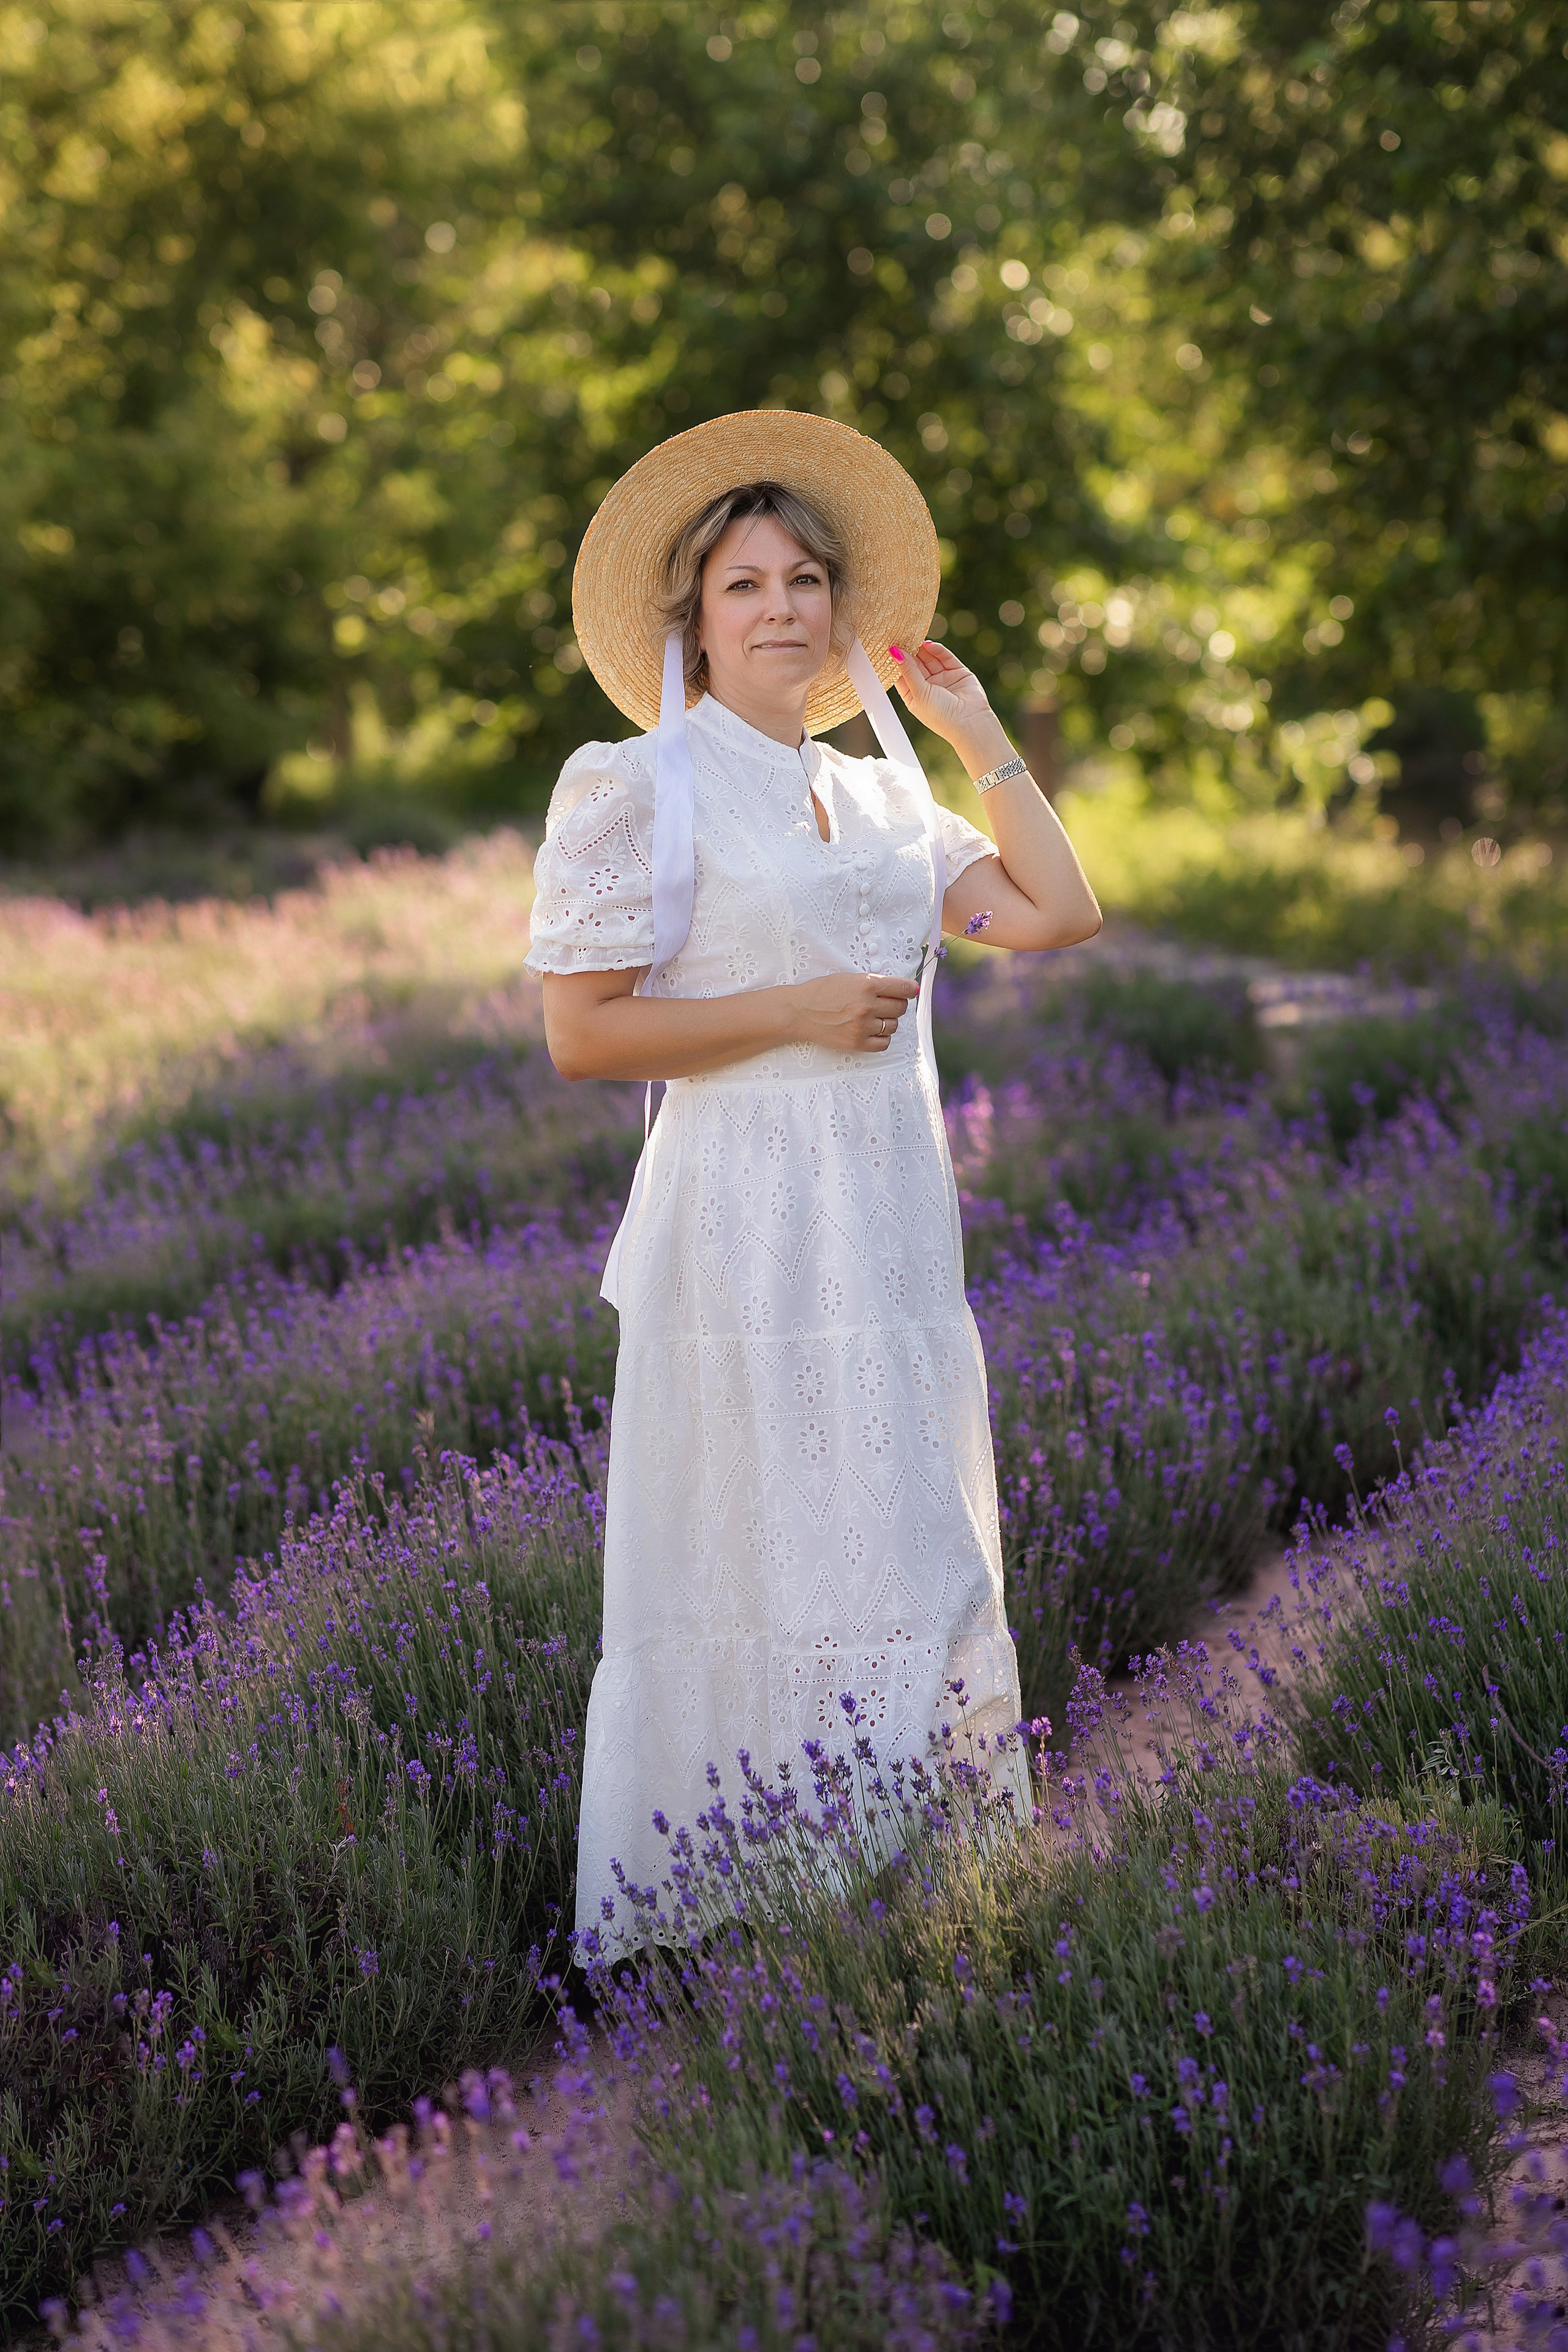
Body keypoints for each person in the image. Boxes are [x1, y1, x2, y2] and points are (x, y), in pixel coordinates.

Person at [523, 409, 1102, 1957]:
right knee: (760, 1553)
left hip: (890, 1229)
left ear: (841, 610)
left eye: (804, 580)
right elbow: (584, 1037)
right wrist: (791, 1010)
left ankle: (922, 1896)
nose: (779, 607)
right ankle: (759, 1904)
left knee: (913, 1544)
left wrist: (978, 736)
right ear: (693, 623)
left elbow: (1057, 913)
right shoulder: (636, 787)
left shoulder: (886, 803)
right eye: (743, 585)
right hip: (740, 1231)